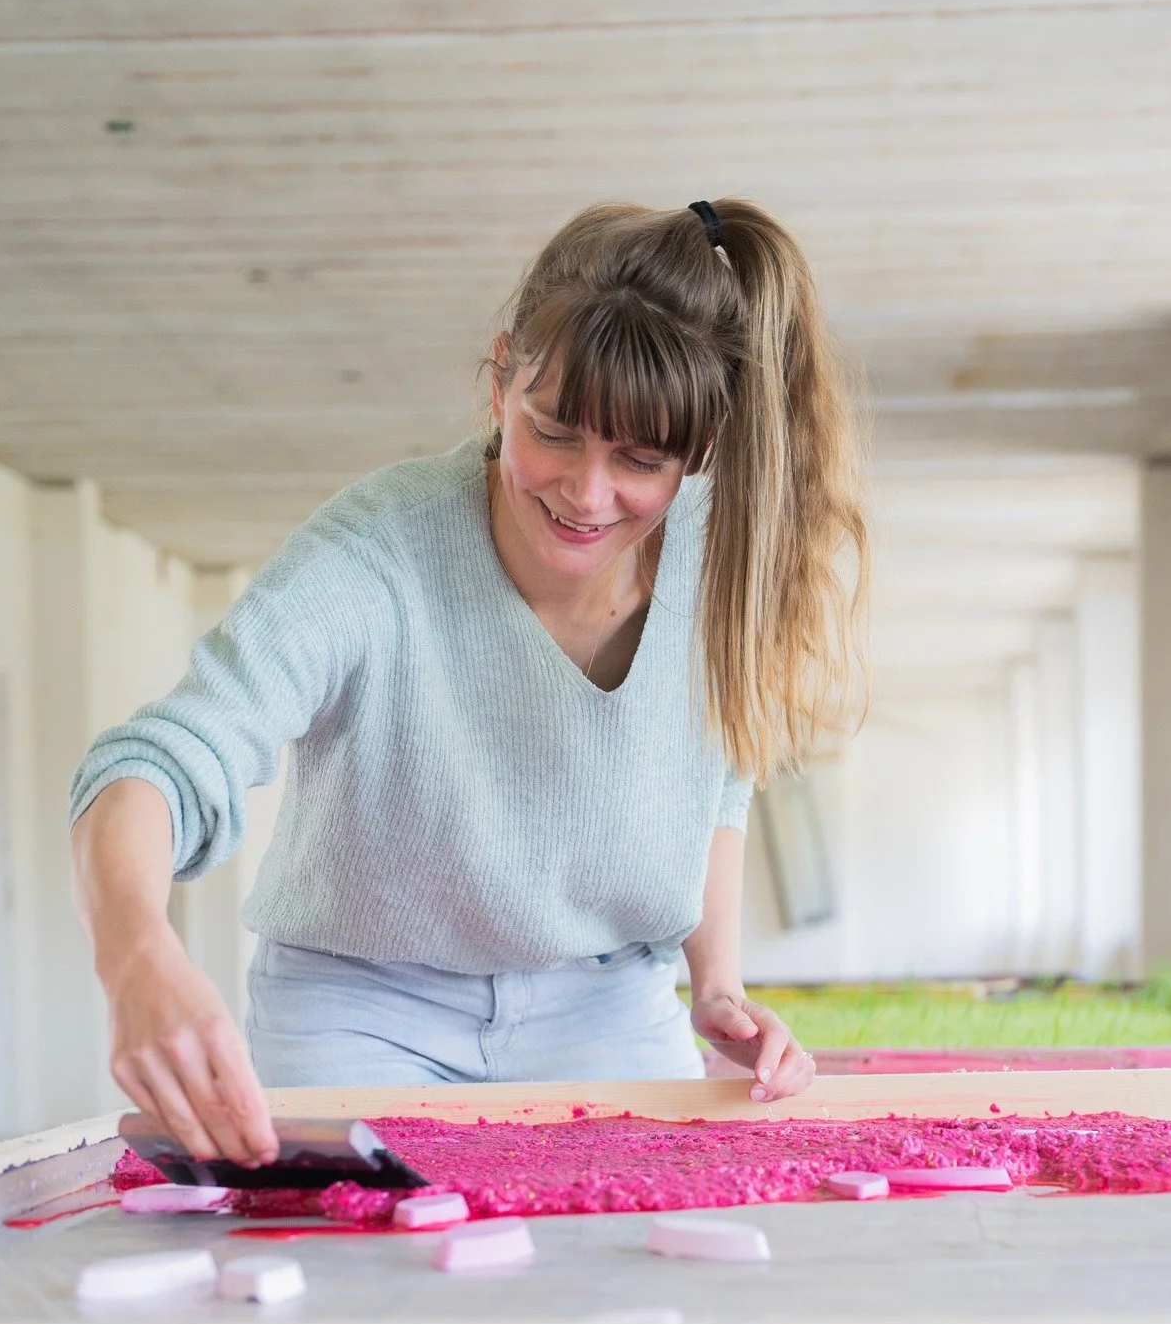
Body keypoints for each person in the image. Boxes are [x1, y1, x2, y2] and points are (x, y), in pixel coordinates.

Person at [70, 197, 869, 1163]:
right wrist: (137, 956)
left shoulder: (724, 557)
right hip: (361, 1010)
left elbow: (717, 778)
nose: (587, 492)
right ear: (501, 382)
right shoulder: (376, 551)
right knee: (356, 1288)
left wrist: (718, 988)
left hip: (608, 1002)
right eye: (555, 432)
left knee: (629, 1288)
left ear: (698, 452)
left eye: (642, 461)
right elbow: (164, 757)